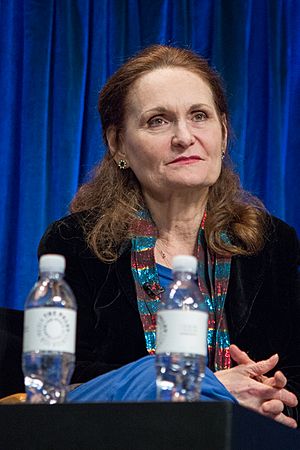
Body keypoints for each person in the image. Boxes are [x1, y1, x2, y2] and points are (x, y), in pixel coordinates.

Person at [39, 45, 300, 427]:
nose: (184, 137)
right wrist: (211, 389)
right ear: (117, 144)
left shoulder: (271, 243)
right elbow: (61, 386)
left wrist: (273, 396)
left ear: (223, 133)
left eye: (199, 116)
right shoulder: (76, 244)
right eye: (158, 121)